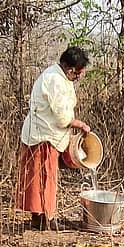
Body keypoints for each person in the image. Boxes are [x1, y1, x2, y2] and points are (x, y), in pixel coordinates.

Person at [16, 47, 91, 230]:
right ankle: (46, 219)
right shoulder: (55, 79)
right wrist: (80, 125)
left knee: (40, 178)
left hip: (44, 133)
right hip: (43, 136)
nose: (78, 76)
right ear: (66, 66)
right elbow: (61, 117)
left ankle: (40, 219)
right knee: (44, 178)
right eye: (76, 72)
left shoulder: (59, 77)